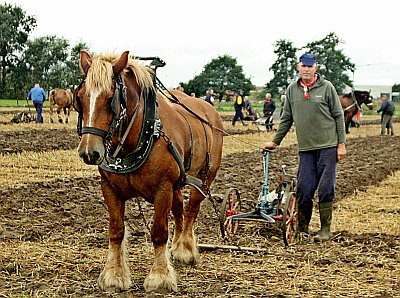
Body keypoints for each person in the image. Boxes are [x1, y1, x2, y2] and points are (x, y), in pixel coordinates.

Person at [264, 53, 347, 242]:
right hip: (306, 149)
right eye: (304, 66)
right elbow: (286, 118)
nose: (307, 69)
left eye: (310, 66)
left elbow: (338, 116)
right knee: (303, 188)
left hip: (328, 146)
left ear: (316, 68)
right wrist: (276, 141)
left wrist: (341, 144)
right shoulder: (292, 90)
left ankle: (325, 230)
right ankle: (302, 228)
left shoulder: (327, 88)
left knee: (326, 188)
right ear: (298, 67)